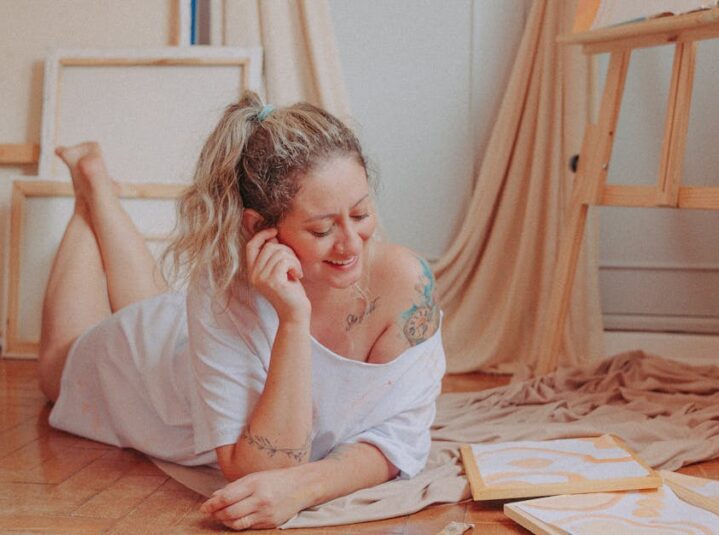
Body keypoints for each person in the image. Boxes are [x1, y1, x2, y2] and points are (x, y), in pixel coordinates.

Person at [37, 91, 446, 530]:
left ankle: (97, 190)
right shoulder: (221, 292)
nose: (351, 244)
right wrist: (293, 319)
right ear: (259, 227)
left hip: (183, 336)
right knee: (56, 369)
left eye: (361, 214)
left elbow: (402, 436)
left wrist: (308, 486)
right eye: (322, 229)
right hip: (139, 371)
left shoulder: (407, 283)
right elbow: (264, 470)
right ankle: (90, 191)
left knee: (152, 306)